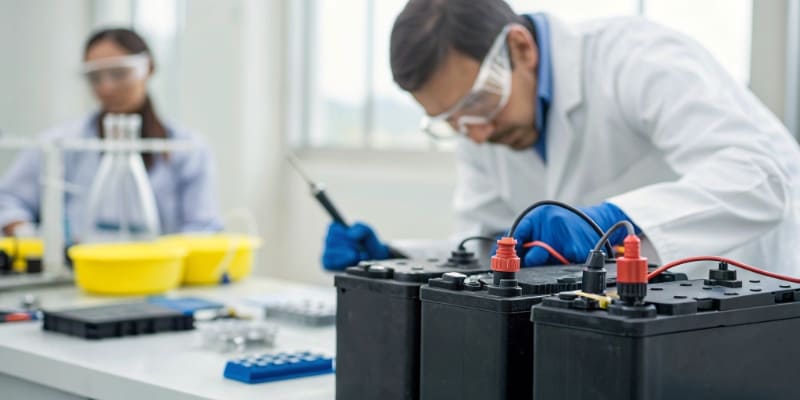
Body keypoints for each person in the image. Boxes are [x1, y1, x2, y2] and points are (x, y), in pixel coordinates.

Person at [322, 0, 800, 276]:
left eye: (477, 104)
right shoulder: (481, 126)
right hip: (631, 329)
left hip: (755, 305)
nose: (476, 133)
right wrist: (397, 260)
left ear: (520, 47)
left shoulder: (637, 58)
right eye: (450, 122)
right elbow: (492, 245)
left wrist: (618, 222)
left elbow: (762, 177)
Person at [0, 28, 222, 242]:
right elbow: (8, 201)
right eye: (95, 77)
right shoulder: (58, 144)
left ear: (149, 68)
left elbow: (202, 227)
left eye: (119, 73)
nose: (106, 88)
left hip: (158, 276)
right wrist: (30, 238)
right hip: (78, 275)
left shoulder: (188, 149)